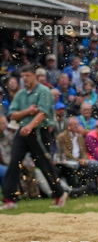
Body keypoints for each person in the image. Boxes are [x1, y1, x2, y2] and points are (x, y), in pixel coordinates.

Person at [2, 65, 67, 209]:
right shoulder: (20, 94)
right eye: (22, 76)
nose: (24, 79)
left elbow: (42, 113)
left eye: (27, 76)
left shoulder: (43, 91)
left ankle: (60, 193)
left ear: (34, 76)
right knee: (13, 163)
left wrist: (29, 125)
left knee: (44, 165)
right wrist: (28, 111)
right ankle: (10, 200)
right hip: (22, 132)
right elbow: (12, 114)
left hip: (39, 131)